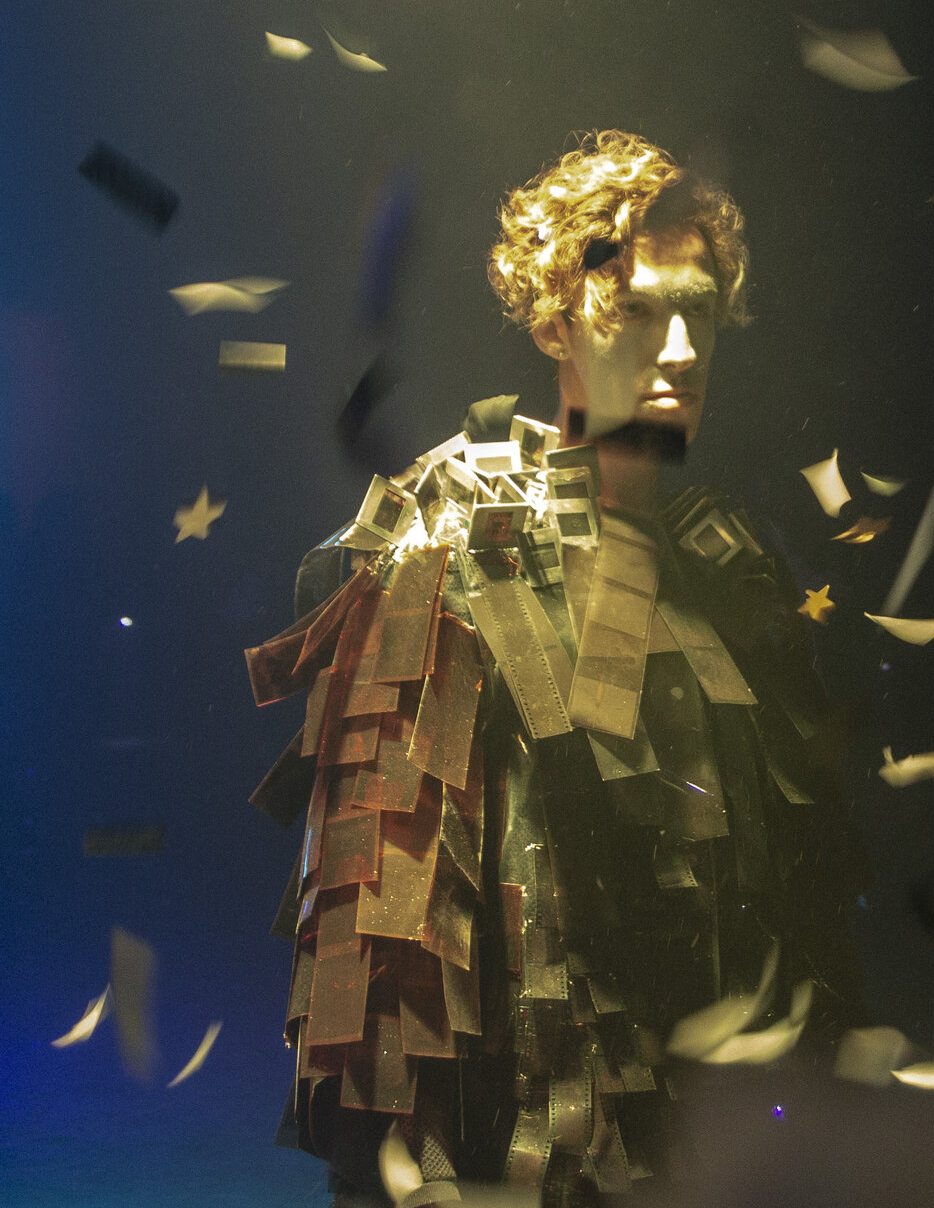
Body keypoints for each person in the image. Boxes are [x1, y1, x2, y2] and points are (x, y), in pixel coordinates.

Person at [243, 131, 862, 1205]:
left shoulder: (733, 568)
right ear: (554, 320)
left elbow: (792, 901)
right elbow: (382, 942)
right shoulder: (447, 543)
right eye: (638, 310)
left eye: (699, 312)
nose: (680, 350)